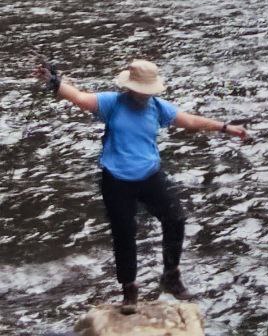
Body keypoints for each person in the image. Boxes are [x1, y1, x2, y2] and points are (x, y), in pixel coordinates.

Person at [35, 57, 248, 315]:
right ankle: (130, 290)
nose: (144, 95)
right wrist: (55, 81)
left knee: (175, 219)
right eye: (140, 90)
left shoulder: (158, 107)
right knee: (124, 234)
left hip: (150, 176)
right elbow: (80, 98)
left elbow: (190, 121)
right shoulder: (112, 103)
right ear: (130, 87)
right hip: (116, 180)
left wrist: (225, 128)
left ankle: (171, 275)